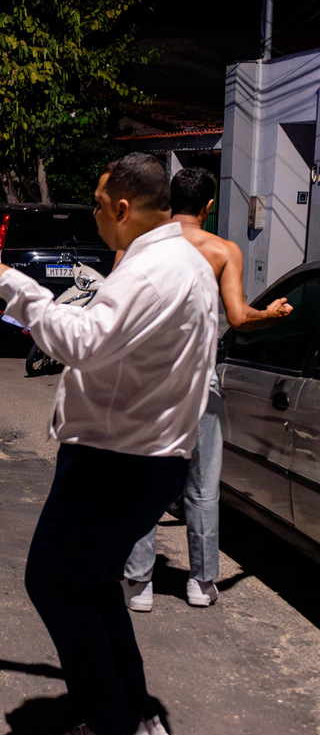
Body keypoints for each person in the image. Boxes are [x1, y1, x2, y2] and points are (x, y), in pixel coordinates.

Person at [0, 153, 218, 735]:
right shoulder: (179, 260)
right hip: (142, 454)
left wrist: (13, 283)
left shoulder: (153, 269)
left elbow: (81, 342)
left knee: (52, 581)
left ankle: (113, 727)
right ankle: (134, 714)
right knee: (93, 583)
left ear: (123, 208)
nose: (96, 217)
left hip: (118, 457)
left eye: (100, 206)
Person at [122, 168, 292, 612]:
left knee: (142, 482)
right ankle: (200, 582)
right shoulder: (222, 250)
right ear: (209, 206)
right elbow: (237, 317)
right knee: (202, 485)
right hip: (199, 381)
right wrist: (269, 314)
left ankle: (139, 585)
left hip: (147, 382)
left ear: (170, 200)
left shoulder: (141, 244)